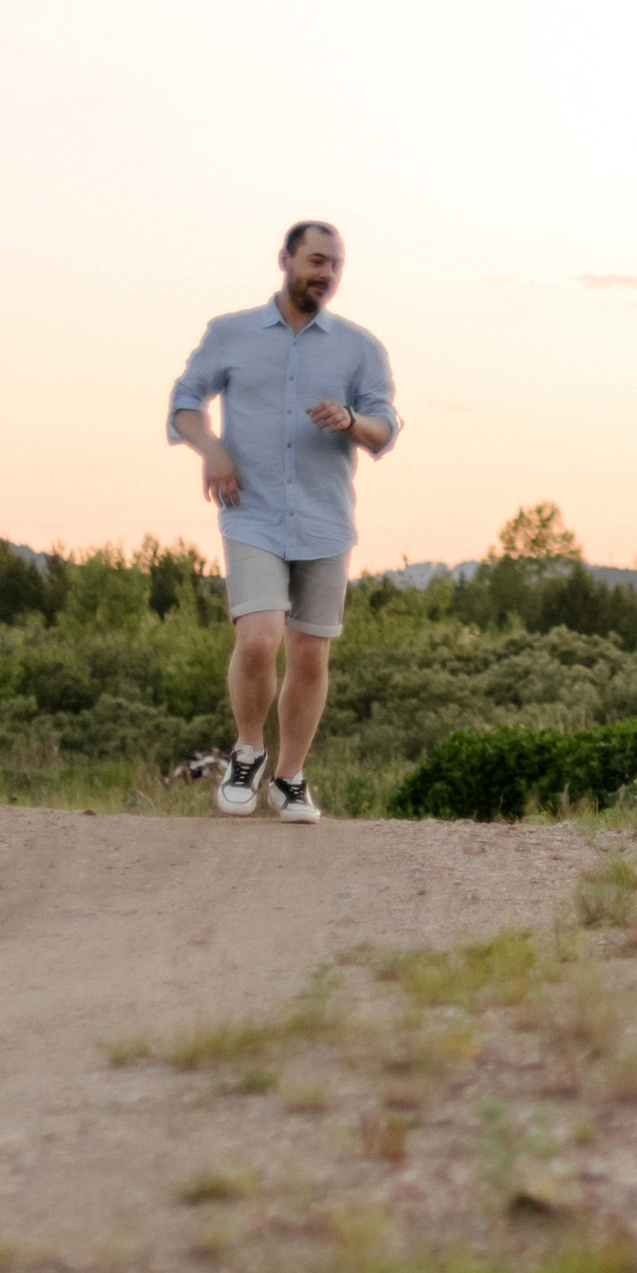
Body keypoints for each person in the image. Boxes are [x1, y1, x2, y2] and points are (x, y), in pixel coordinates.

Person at [168, 222, 399, 824]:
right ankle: (248, 753)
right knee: (260, 638)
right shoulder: (231, 333)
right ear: (286, 260)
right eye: (316, 261)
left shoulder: (359, 347)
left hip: (326, 519)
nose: (325, 275)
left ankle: (290, 778)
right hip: (252, 513)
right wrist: (212, 451)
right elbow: (185, 401)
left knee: (309, 655)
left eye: (335, 266)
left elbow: (385, 429)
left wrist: (351, 419)